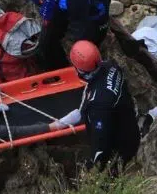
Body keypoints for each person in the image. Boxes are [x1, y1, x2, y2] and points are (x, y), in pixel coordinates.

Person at [48, 40, 141, 173]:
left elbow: (101, 139)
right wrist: (65, 121)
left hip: (121, 143)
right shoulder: (111, 67)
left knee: (111, 171)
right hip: (129, 124)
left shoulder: (98, 104)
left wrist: (96, 165)